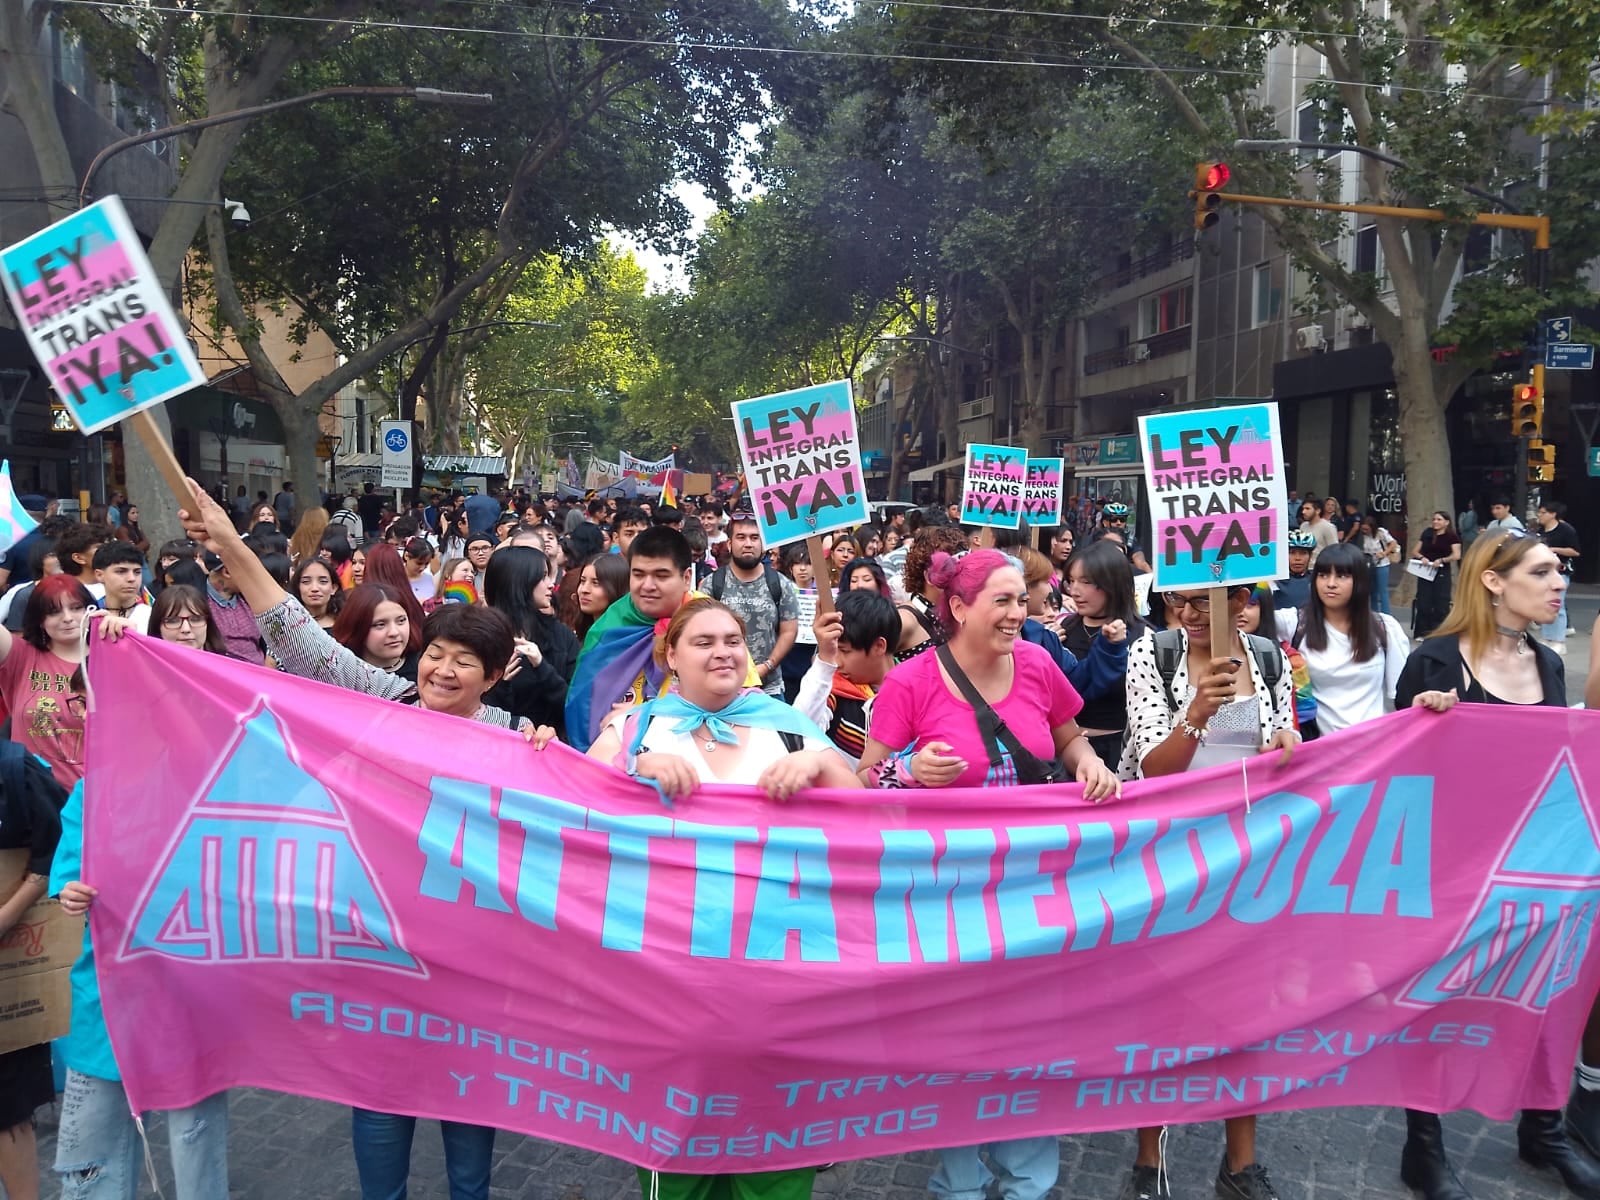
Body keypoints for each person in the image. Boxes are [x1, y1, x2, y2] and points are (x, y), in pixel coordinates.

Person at [178, 480, 552, 1200]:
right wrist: (227, 539)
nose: (442, 670)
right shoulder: (381, 701)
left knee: (469, 1113)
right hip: (377, 950)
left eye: (464, 662)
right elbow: (292, 629)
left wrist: (546, 753)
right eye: (435, 652)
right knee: (381, 1102)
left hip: (471, 962)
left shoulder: (518, 746)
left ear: (497, 676)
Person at [856, 551, 1115, 1200]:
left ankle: (1030, 1182)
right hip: (946, 896)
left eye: (1020, 601)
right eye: (1002, 600)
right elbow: (863, 778)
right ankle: (961, 1182)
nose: (1016, 613)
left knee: (1031, 1040)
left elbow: (1069, 736)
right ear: (960, 608)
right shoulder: (911, 683)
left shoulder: (1037, 662)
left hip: (1033, 889)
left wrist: (1090, 765)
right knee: (957, 1045)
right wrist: (910, 773)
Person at [584, 598, 856, 1200]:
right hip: (669, 983)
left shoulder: (787, 725)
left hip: (781, 983)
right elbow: (576, 802)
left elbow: (863, 812)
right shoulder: (634, 727)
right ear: (671, 657)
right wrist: (635, 763)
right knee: (680, 1160)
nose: (724, 651)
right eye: (704, 641)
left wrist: (818, 761)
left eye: (732, 639)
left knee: (775, 1157)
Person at [1393, 528, 1597, 1200]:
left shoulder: (1548, 661)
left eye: (1558, 572)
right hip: (1452, 871)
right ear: (1492, 580)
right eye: (1540, 572)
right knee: (1438, 1002)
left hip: (1533, 868)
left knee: (1543, 995)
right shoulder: (1435, 659)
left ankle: (1544, 1129)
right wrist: (1427, 724)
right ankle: (1423, 1147)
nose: (1558, 583)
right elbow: (1394, 774)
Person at [1119, 582, 1297, 1200]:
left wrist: (1286, 747)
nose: (1192, 616)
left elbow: (1283, 752)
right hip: (1166, 863)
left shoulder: (1269, 658)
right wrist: (1195, 714)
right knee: (1159, 1013)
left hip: (1245, 863)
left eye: (1209, 603)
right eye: (1180, 604)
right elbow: (1152, 770)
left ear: (1243, 601)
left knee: (1244, 1013)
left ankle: (1240, 1166)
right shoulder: (1154, 654)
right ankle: (1150, 1161)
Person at [49, 592, 229, 1199]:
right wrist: (72, 893)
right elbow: (67, 877)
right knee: (93, 1152)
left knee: (194, 1137)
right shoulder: (91, 795)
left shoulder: (208, 787)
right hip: (105, 998)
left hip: (187, 992)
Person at [566, 527, 757, 750]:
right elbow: (583, 701)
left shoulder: (713, 623)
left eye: (661, 576)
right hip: (613, 758)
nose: (647, 586)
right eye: (638, 575)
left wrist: (646, 715)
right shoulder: (611, 624)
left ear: (686, 578)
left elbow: (740, 707)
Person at [0, 575, 120, 789]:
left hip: (95, 801)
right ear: (39, 619)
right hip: (32, 802)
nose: (67, 618)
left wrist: (127, 634)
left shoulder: (115, 657)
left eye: (76, 607)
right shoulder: (20, 656)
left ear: (91, 609)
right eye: (54, 611)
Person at [1275, 542, 1406, 736]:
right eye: (1323, 575)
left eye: (1342, 576)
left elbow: (1403, 698)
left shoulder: (1385, 628)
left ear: (1360, 581)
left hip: (1375, 750)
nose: (1330, 583)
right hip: (1319, 752)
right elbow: (1242, 620)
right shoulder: (1294, 623)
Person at [1059, 541, 1144, 764]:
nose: (1075, 591)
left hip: (1121, 752)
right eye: (1071, 581)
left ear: (1112, 584)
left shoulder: (1142, 636)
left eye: (1086, 582)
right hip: (1068, 754)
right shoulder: (1062, 630)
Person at [795, 588, 899, 763]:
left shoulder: (913, 689)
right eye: (834, 652)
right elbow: (798, 731)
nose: (837, 662)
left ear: (879, 646)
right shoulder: (832, 689)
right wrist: (824, 660)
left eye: (844, 651)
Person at [483, 546, 579, 734]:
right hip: (496, 745)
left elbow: (573, 704)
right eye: (542, 577)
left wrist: (542, 666)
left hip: (549, 744)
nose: (551, 584)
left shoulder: (561, 636)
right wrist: (500, 684)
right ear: (519, 582)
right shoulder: (483, 636)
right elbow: (472, 709)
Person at [703, 520, 800, 700]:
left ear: (763, 545)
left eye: (754, 538)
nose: (748, 543)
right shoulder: (711, 584)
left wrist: (766, 666)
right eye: (741, 537)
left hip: (769, 689)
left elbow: (789, 631)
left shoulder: (781, 584)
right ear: (730, 544)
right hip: (722, 687)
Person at [895, 526, 969, 662]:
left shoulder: (959, 613)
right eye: (948, 567)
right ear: (928, 575)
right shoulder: (905, 620)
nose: (959, 575)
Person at [1534, 500, 1580, 655]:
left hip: (1560, 571)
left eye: (1543, 512)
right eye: (1539, 512)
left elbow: (1575, 551)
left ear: (1553, 514)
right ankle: (1547, 637)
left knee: (1557, 605)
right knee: (1544, 604)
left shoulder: (1566, 530)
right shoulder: (1540, 530)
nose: (1539, 515)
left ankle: (1559, 640)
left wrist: (1553, 549)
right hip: (1542, 571)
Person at [1410, 510, 1461, 641]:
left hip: (1442, 571)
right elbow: (1415, 550)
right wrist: (1422, 557)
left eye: (1439, 520)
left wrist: (1442, 560)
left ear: (1446, 522)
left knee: (1441, 602)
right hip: (1425, 570)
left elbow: (1456, 555)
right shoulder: (1427, 533)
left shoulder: (1451, 536)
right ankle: (1421, 631)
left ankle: (1440, 632)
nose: (1435, 522)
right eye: (1434, 519)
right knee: (1424, 601)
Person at [562, 553, 629, 641]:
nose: (584, 590)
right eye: (582, 581)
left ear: (616, 587)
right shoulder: (578, 634)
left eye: (596, 583)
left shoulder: (624, 640)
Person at [90, 542, 152, 626]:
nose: (132, 578)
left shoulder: (153, 617)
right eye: (121, 571)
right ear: (99, 575)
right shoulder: (88, 615)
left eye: (137, 572)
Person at [1355, 514, 1399, 614]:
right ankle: (1373, 612)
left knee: (1382, 590)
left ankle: (1386, 614)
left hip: (1382, 563)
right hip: (1369, 564)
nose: (1365, 531)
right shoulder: (1364, 536)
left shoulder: (1381, 532)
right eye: (1363, 529)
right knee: (1372, 590)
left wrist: (1384, 553)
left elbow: (1393, 543)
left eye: (1367, 529)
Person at [1097, 502, 1151, 573]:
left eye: (1122, 519)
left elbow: (1141, 563)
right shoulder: (1096, 538)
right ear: (1105, 522)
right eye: (1114, 519)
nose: (1119, 523)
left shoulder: (1129, 539)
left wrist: (1151, 576)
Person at [1275, 529, 1316, 611]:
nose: (1297, 558)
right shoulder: (1273, 581)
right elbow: (1253, 599)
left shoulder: (1316, 580)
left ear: (1310, 556)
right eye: (1292, 552)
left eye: (1303, 553)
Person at [1297, 497, 1339, 563]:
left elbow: (1335, 551)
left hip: (1320, 567)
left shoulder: (1328, 527)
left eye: (1307, 509)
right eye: (1303, 509)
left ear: (1317, 511)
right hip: (1304, 567)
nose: (1303, 512)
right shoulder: (1303, 526)